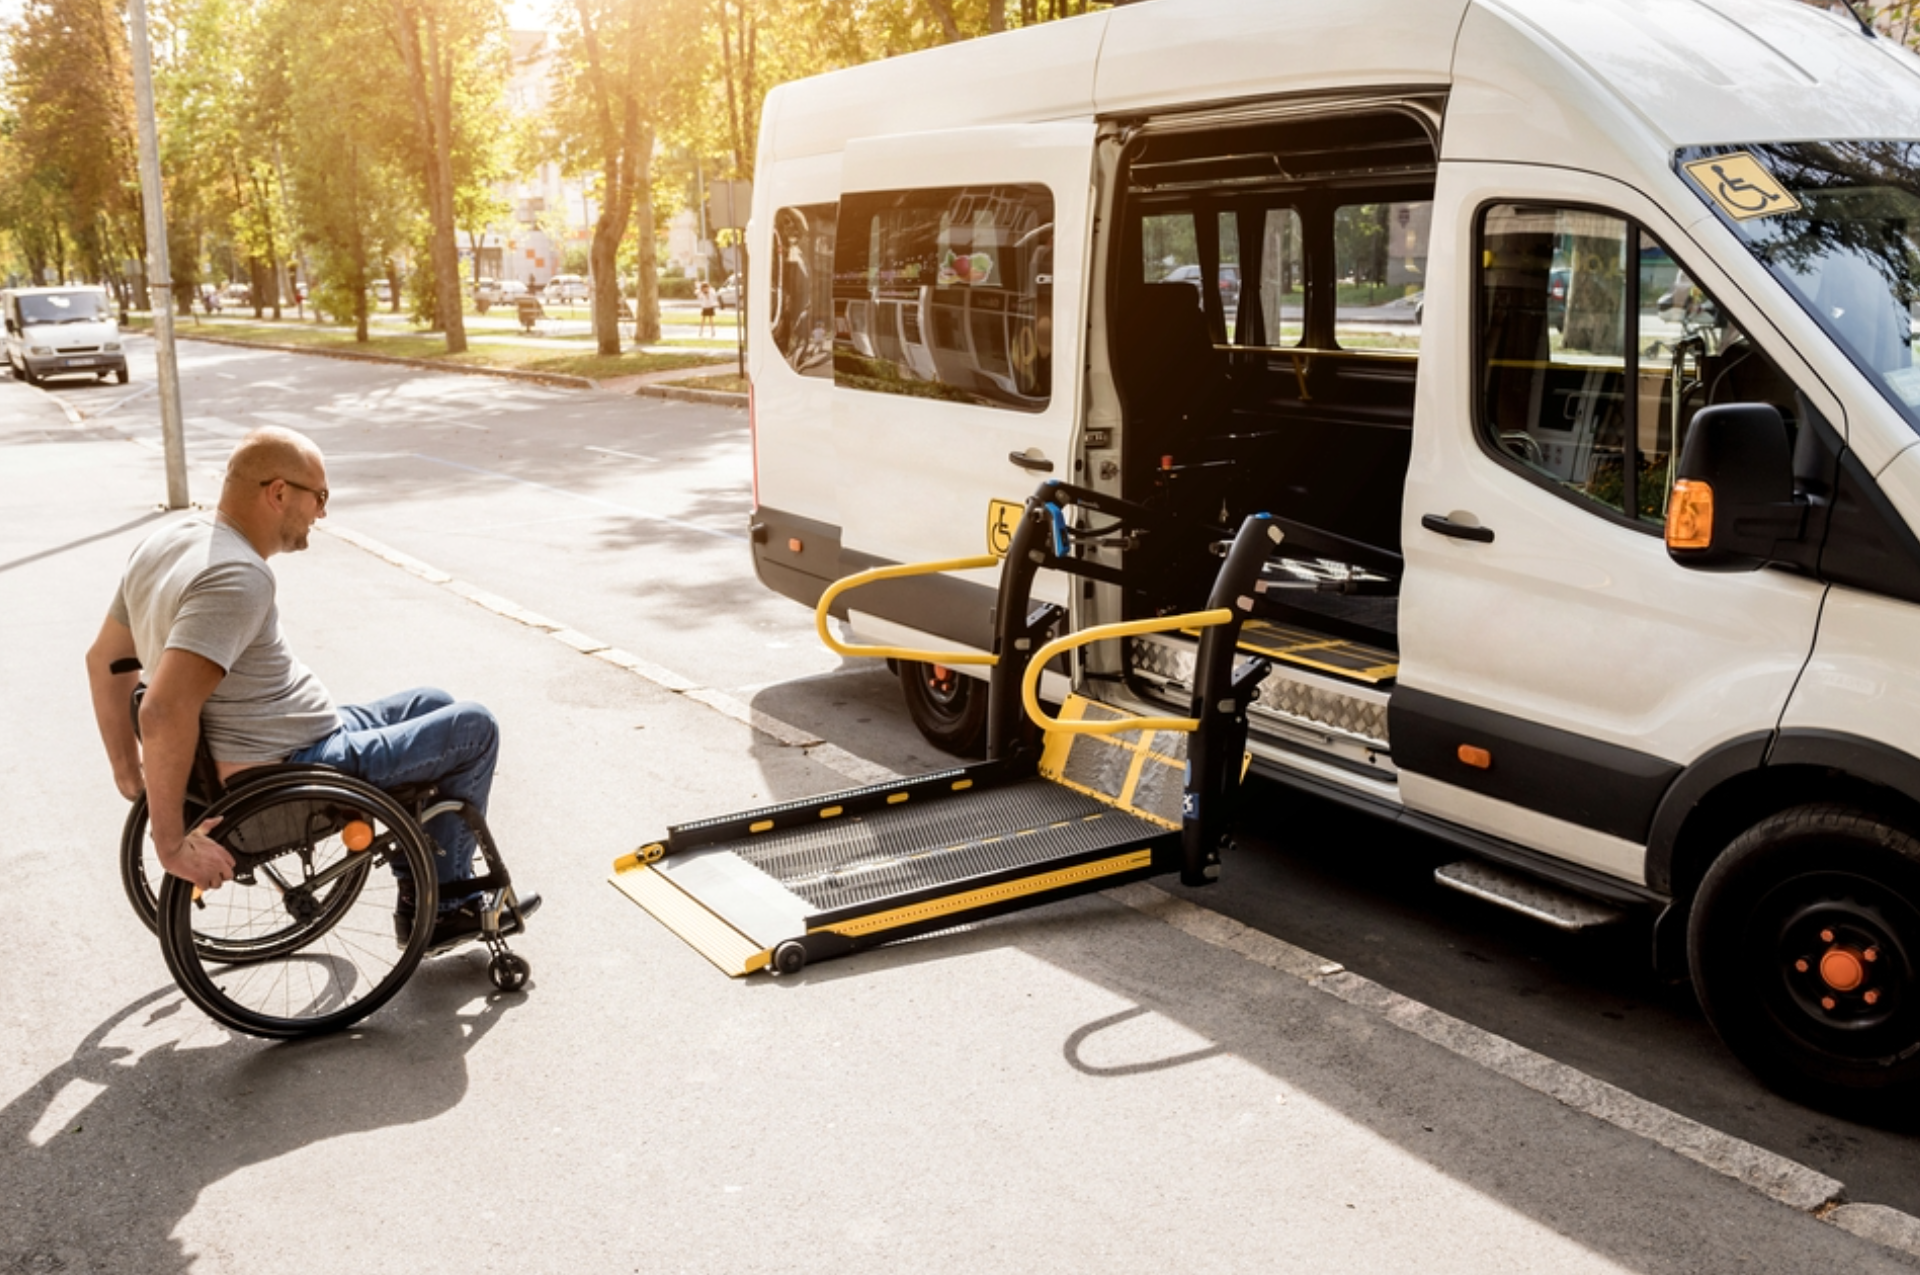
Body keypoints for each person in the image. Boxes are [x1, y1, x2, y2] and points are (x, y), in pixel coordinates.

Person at [84, 426, 537, 948]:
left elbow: (105, 660)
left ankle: (428, 883)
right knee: (474, 727)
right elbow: (162, 711)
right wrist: (170, 846)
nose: (321, 514)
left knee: (430, 702)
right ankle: (446, 908)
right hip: (291, 763)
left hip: (282, 739)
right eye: (319, 497)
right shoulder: (237, 577)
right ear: (278, 493)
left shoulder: (171, 539)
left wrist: (127, 771)